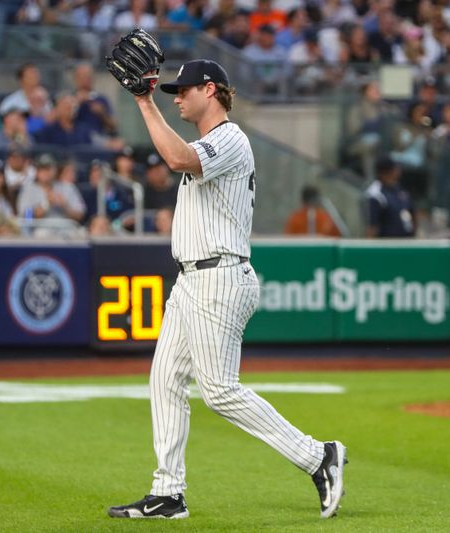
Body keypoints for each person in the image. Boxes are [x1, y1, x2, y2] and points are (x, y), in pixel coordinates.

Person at [107, 59, 346, 521]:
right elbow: (180, 155)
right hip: (193, 279)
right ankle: (168, 493)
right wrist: (146, 103)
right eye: (170, 91)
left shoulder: (230, 139)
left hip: (220, 275)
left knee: (218, 390)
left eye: (184, 90)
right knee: (166, 379)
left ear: (210, 89)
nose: (175, 97)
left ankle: (319, 456)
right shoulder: (207, 142)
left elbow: (177, 159)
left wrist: (142, 101)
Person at [17, 153, 86, 222]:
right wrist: (46, 205)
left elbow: (80, 215)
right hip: (40, 230)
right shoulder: (28, 189)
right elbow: (26, 217)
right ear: (37, 171)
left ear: (55, 170)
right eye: (42, 169)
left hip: (66, 228)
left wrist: (65, 206)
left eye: (49, 168)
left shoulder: (67, 187)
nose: (46, 172)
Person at [365, 155, 416, 237]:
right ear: (385, 172)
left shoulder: (400, 189)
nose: (398, 170)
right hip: (387, 246)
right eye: (395, 168)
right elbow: (372, 228)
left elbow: (412, 214)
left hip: (407, 243)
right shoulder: (376, 194)